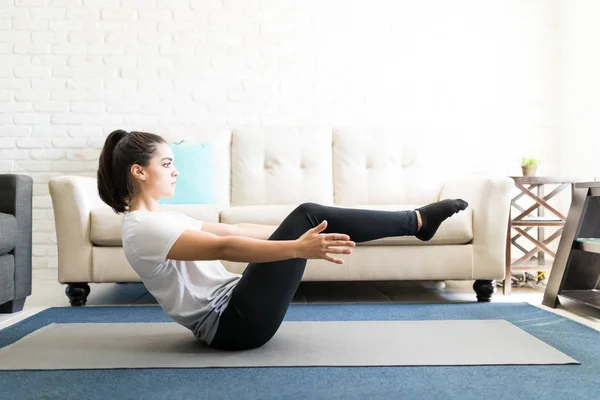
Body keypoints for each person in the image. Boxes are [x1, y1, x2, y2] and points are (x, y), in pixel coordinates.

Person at [97, 129, 469, 351]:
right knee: (307, 213)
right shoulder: (143, 228)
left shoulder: (161, 218)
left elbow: (236, 231)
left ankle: (417, 222)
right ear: (138, 172)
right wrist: (296, 247)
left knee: (305, 217)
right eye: (166, 164)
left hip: (236, 310)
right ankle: (416, 222)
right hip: (232, 324)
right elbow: (225, 250)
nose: (175, 171)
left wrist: (296, 234)